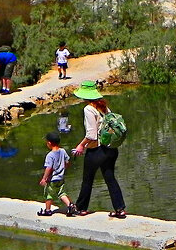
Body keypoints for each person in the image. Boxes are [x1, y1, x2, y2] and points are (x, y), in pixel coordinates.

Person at [71, 81, 126, 218]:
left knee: (87, 180)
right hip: (111, 149)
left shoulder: (88, 109)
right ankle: (120, 209)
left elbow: (91, 134)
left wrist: (80, 145)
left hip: (97, 150)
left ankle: (80, 208)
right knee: (110, 177)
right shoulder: (104, 107)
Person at [38, 131, 76, 216]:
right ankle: (70, 205)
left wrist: (44, 178)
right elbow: (67, 161)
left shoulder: (50, 155)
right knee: (61, 193)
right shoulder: (62, 151)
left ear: (49, 143)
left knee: (48, 194)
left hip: (52, 179)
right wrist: (64, 168)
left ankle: (47, 210)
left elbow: (49, 168)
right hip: (61, 178)